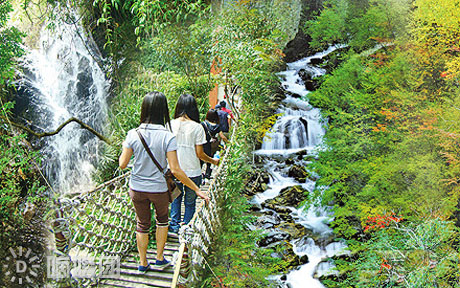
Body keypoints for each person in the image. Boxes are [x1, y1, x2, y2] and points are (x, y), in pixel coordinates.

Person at [119, 91, 209, 273]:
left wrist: (126, 146)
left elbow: (122, 164)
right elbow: (175, 170)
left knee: (142, 224)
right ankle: (159, 259)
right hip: (158, 189)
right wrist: (197, 189)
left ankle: (143, 263)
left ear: (144, 109)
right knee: (162, 221)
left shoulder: (132, 134)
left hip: (136, 187)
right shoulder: (168, 136)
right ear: (164, 111)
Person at [169, 94, 219, 233]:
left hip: (174, 171)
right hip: (193, 172)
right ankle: (187, 228)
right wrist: (213, 161)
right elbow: (200, 154)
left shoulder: (170, 125)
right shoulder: (197, 128)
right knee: (190, 202)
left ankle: (174, 226)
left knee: (176, 199)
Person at [201, 109, 229, 181]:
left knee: (201, 159)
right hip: (212, 145)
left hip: (203, 143)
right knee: (210, 159)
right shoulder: (217, 126)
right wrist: (229, 143)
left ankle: (200, 174)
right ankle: (207, 174)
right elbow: (222, 136)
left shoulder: (203, 124)